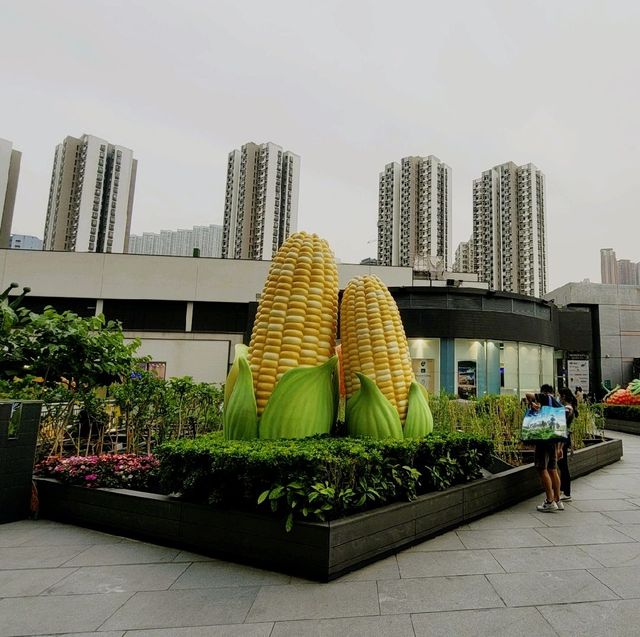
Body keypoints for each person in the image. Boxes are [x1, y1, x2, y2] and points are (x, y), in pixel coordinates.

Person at [525, 384, 565, 512]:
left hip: (543, 438)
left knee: (542, 468)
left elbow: (528, 395)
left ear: (544, 392)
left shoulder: (544, 397)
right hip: (554, 439)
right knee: (552, 468)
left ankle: (549, 501)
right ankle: (558, 500)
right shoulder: (556, 403)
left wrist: (532, 402)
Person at [558, 387, 578, 502]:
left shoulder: (567, 409)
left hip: (563, 439)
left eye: (559, 395)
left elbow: (562, 426)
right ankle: (564, 490)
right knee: (562, 465)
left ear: (563, 396)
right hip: (566, 438)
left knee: (563, 466)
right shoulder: (570, 407)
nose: (559, 398)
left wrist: (559, 446)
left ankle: (566, 492)